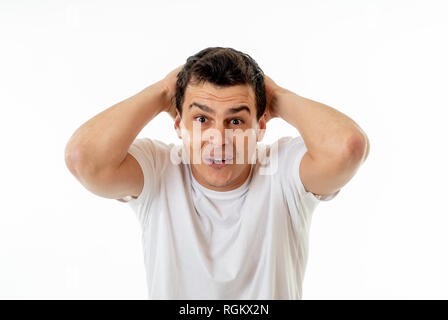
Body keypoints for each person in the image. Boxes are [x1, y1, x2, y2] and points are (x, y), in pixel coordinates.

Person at [65, 47, 369, 299]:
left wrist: (274, 94)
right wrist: (160, 93)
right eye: (201, 119)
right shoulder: (158, 169)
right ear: (179, 125)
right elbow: (83, 158)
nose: (218, 139)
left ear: (261, 125)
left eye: (235, 121)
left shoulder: (283, 171)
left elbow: (348, 147)